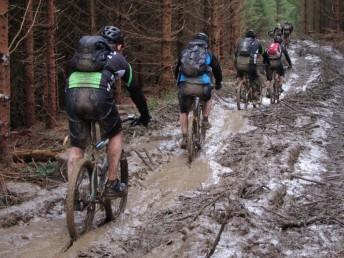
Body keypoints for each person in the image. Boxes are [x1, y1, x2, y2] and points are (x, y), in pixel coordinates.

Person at [66, 26, 150, 197]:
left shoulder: (81, 56)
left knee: (76, 146)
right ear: (119, 46)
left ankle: (72, 194)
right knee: (115, 134)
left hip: (72, 97)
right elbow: (135, 91)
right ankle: (112, 183)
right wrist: (145, 115)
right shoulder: (119, 59)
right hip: (99, 98)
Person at [175, 32, 222, 149]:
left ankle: (185, 137)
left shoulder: (185, 52)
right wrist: (218, 82)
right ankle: (205, 119)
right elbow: (217, 70)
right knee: (208, 99)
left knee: (183, 111)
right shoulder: (208, 53)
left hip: (185, 86)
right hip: (203, 87)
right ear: (206, 42)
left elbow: (177, 69)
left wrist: (179, 83)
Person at [234, 30, 267, 95]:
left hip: (239, 63)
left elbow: (236, 52)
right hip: (250, 64)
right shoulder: (257, 42)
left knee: (240, 74)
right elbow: (263, 53)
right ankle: (255, 95)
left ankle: (238, 85)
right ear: (254, 36)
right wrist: (266, 60)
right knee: (255, 77)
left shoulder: (241, 41)